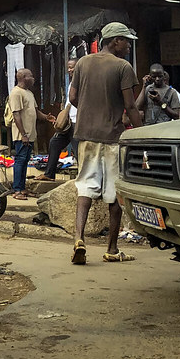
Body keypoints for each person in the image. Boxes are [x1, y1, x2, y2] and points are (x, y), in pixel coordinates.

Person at [68, 22, 143, 264]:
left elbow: (73, 97)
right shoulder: (123, 66)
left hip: (86, 136)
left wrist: (90, 112)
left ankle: (79, 239)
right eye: (125, 40)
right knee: (114, 194)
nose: (129, 45)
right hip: (112, 138)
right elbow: (130, 105)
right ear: (114, 41)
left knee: (85, 187)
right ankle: (111, 248)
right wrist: (141, 134)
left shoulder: (82, 62)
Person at [8, 68, 53, 200]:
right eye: (31, 76)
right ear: (23, 78)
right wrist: (23, 134)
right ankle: (17, 190)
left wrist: (46, 117)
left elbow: (35, 111)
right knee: (20, 161)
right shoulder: (16, 93)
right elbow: (16, 114)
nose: (33, 78)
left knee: (25, 160)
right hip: (22, 135)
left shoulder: (28, 93)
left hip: (30, 134)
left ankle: (22, 188)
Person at [32, 59, 79, 181]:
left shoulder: (83, 82)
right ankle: (49, 174)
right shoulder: (71, 83)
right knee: (54, 143)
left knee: (78, 150)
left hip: (77, 122)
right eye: (68, 68)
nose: (69, 70)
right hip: (68, 123)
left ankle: (84, 178)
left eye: (71, 67)